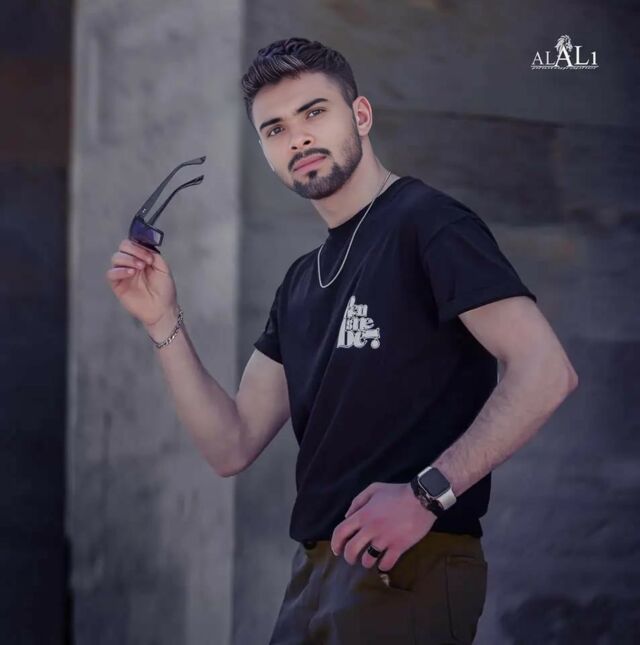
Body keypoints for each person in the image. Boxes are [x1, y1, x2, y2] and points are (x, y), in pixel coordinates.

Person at [107, 37, 579, 645]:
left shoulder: (428, 224)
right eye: (275, 129)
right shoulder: (300, 283)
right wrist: (161, 320)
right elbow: (230, 444)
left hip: (407, 564)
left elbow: (546, 371)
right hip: (313, 575)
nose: (297, 138)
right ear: (265, 152)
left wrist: (426, 496)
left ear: (360, 114)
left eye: (313, 112)